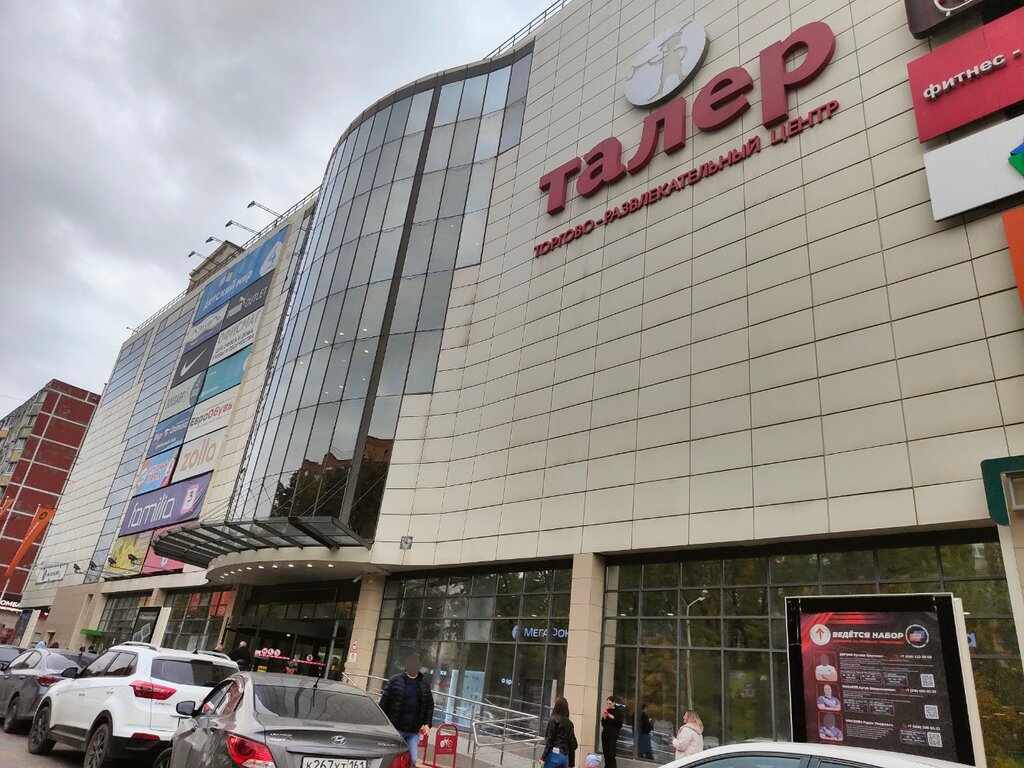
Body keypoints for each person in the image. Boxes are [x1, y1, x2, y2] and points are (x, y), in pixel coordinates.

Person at [379, 653, 435, 765]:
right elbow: (384, 703)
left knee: (412, 760)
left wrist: (427, 724)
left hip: (413, 732)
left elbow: (429, 705)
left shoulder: (424, 684)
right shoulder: (395, 681)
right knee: (391, 760)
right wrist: (382, 723)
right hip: (396, 730)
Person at [541, 697, 577, 768]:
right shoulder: (569, 723)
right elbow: (573, 744)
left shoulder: (553, 720)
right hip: (565, 757)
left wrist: (543, 757)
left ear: (556, 707)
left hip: (554, 755)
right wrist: (571, 763)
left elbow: (550, 740)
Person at [600, 696, 623, 768]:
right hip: (605, 734)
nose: (609, 705)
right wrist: (604, 717)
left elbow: (619, 725)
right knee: (606, 753)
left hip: (613, 735)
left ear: (614, 703)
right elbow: (603, 724)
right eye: (607, 703)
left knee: (611, 754)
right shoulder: (607, 710)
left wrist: (613, 718)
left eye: (610, 703)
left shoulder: (618, 712)